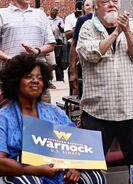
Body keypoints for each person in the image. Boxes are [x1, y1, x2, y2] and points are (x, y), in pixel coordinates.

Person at [0, 53, 105, 184]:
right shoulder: (3, 117)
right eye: (28, 77)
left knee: (94, 177)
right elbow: (1, 162)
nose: (35, 81)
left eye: (39, 78)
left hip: (60, 169)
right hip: (22, 172)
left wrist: (75, 167)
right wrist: (34, 170)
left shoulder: (54, 111)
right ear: (15, 81)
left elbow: (76, 147)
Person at [76, 0, 133, 167]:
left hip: (131, 109)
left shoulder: (131, 26)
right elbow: (91, 55)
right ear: (95, 7)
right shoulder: (87, 27)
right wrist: (116, 32)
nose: (111, 5)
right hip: (98, 110)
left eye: (115, 1)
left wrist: (127, 31)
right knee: (90, 166)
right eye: (105, 2)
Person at [0, 0, 55, 71]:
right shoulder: (2, 14)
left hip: (36, 71)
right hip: (10, 71)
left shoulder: (40, 14)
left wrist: (37, 51)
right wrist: (12, 60)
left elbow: (51, 44)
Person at [68, 0, 94, 96]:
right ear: (83, 8)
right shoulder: (81, 20)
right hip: (84, 61)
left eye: (92, 4)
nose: (90, 7)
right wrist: (72, 71)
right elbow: (74, 45)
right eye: (87, 5)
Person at [47, 7, 66, 82]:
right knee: (50, 60)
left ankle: (60, 78)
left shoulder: (60, 20)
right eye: (54, 10)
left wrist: (59, 26)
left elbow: (63, 31)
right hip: (50, 41)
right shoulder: (47, 19)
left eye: (56, 10)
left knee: (59, 59)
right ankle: (49, 78)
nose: (55, 12)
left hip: (58, 41)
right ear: (50, 11)